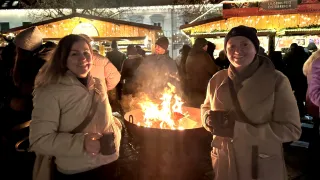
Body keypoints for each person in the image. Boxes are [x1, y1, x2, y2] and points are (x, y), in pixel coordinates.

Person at [201, 25, 301, 180]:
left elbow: (291, 129)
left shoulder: (277, 80)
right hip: (224, 162)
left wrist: (239, 130)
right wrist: (208, 119)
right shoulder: (217, 79)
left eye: (245, 44)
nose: (237, 51)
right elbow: (206, 107)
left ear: (255, 47)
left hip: (260, 164)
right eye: (231, 46)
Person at [29, 34, 122, 180]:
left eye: (86, 53)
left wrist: (116, 128)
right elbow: (39, 140)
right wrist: (82, 143)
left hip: (109, 162)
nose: (83, 58)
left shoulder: (98, 84)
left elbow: (105, 118)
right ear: (63, 58)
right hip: (77, 171)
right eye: (74, 54)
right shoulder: (50, 90)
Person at [186, 38, 218, 107]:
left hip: (192, 86)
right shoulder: (203, 55)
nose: (207, 47)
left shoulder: (190, 55)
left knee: (194, 106)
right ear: (203, 45)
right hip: (202, 86)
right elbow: (213, 70)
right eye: (206, 45)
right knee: (203, 107)